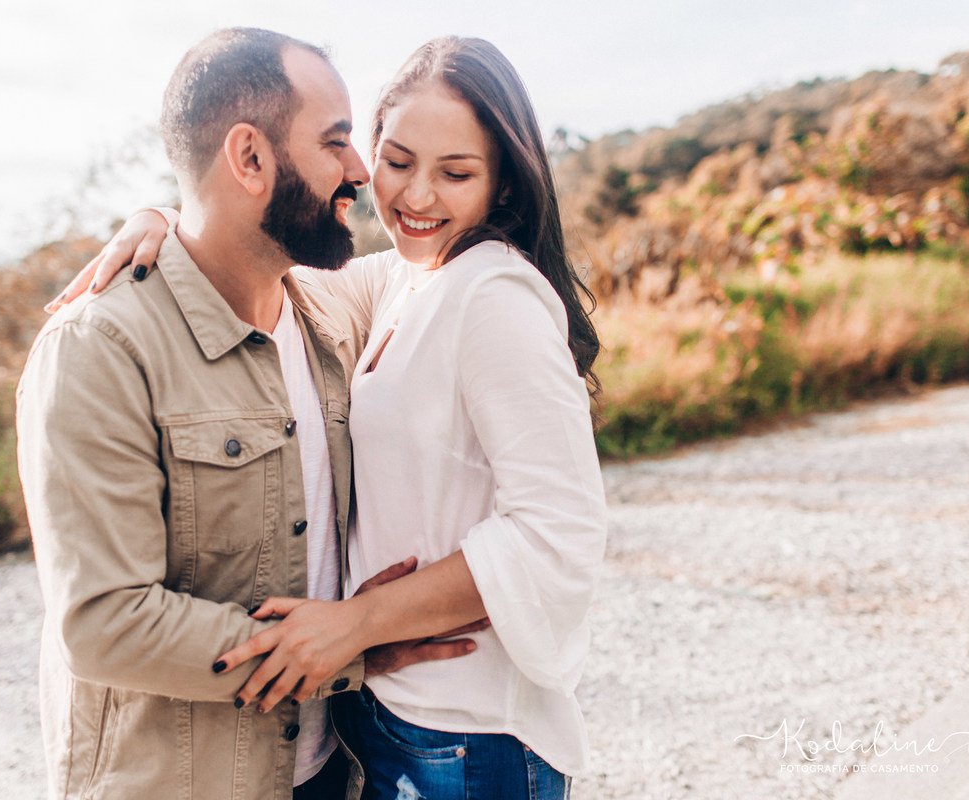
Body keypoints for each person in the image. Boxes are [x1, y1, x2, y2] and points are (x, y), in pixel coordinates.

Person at [53, 36, 606, 800]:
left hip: (449, 737)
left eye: (456, 173)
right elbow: (104, 622)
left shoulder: (467, 297)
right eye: (387, 156)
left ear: (502, 181)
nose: (397, 189)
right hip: (343, 739)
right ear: (250, 157)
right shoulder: (400, 281)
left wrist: (359, 626)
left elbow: (558, 531)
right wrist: (162, 217)